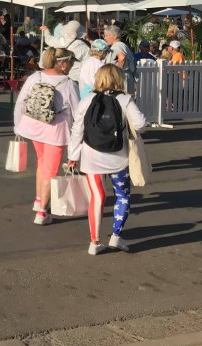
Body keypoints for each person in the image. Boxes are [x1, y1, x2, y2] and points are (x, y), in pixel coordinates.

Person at [67, 64, 147, 255]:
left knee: (97, 196)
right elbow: (141, 124)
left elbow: (77, 128)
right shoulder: (125, 99)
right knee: (122, 195)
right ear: (119, 79)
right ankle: (116, 235)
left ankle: (94, 241)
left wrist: (73, 156)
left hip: (91, 157)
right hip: (118, 158)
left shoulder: (88, 99)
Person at [13, 47, 80, 226]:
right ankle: (42, 211)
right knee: (50, 170)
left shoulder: (36, 77)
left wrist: (18, 125)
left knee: (42, 163)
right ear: (63, 64)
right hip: (56, 131)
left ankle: (38, 200)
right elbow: (78, 113)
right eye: (71, 63)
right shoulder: (68, 84)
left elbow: (21, 102)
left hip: (34, 125)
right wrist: (78, 141)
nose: (71, 67)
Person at [104, 25, 135, 93]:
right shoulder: (121, 45)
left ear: (114, 36)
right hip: (125, 77)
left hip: (121, 78)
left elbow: (122, 57)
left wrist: (118, 72)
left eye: (106, 35)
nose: (105, 38)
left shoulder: (117, 45)